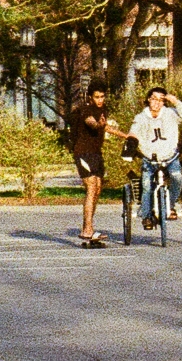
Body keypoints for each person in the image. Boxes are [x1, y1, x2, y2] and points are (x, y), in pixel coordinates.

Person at [125, 85, 182, 228]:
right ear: (148, 99)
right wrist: (130, 146)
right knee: (147, 185)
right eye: (154, 99)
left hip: (170, 156)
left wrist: (175, 101)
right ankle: (147, 216)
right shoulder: (141, 117)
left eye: (161, 100)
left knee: (177, 177)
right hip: (150, 158)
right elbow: (133, 132)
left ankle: (170, 205)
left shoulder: (170, 113)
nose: (157, 103)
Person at [66, 85, 113, 248]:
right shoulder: (86, 110)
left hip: (95, 154)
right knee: (91, 187)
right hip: (83, 153)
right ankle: (87, 229)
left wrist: (127, 135)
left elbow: (105, 126)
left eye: (102, 97)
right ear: (90, 97)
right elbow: (92, 124)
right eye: (97, 97)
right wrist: (99, 124)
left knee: (98, 188)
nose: (100, 100)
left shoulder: (104, 109)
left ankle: (89, 227)